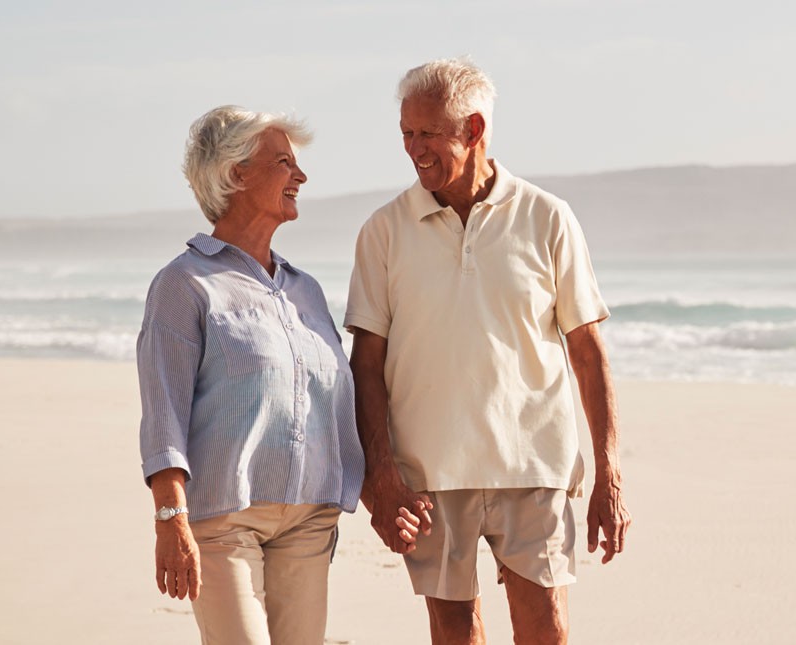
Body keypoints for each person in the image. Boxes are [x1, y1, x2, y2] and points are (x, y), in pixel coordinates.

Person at [345, 58, 631, 644]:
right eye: (405, 132)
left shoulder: (547, 217)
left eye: (428, 133)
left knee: (545, 630)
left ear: (472, 130)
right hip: (428, 473)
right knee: (453, 633)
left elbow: (587, 351)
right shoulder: (384, 231)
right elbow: (366, 366)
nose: (413, 148)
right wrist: (381, 479)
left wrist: (609, 473)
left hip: (534, 466)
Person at [138, 105, 396, 644]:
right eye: (283, 163)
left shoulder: (307, 291)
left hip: (310, 520)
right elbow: (164, 412)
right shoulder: (184, 285)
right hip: (223, 520)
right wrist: (169, 518)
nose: (300, 176)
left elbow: (337, 407)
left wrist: (379, 495)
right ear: (236, 174)